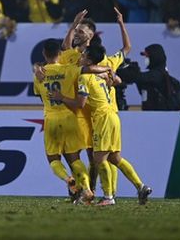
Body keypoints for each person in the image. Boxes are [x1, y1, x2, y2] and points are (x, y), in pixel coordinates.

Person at [53, 44, 152, 206]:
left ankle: (108, 197)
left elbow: (80, 103)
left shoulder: (84, 77)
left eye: (84, 55)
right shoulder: (104, 71)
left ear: (89, 60)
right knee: (115, 158)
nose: (81, 57)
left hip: (102, 118)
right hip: (113, 115)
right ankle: (141, 186)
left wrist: (61, 97)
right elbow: (118, 80)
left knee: (98, 159)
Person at [33, 39, 109, 205]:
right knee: (75, 159)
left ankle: (68, 179)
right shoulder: (70, 69)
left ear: (44, 54)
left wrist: (38, 70)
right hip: (70, 118)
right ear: (60, 54)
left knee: (53, 159)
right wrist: (107, 68)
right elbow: (90, 69)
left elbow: (40, 96)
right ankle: (88, 189)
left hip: (51, 118)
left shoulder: (39, 74)